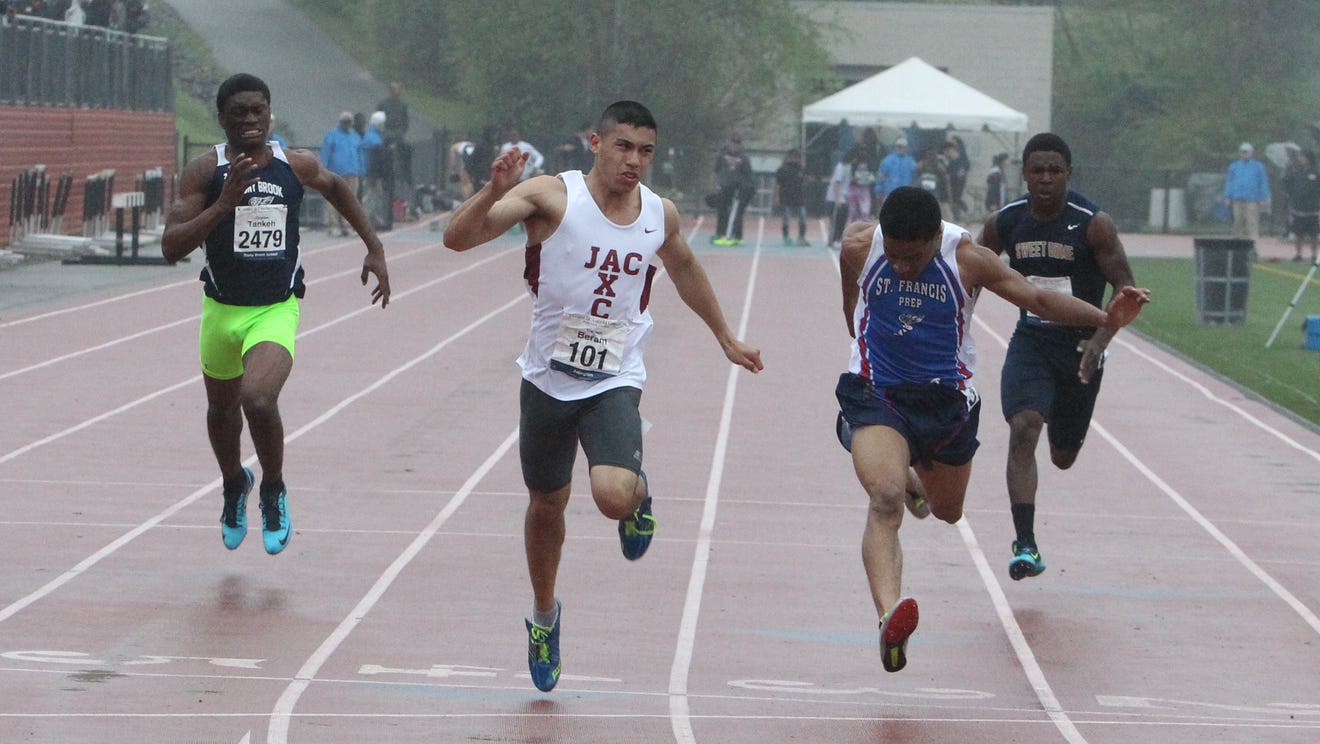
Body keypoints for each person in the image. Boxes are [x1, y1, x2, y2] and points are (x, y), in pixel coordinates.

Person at [442, 100, 763, 693]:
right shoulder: (550, 196)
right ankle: (544, 617)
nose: (633, 161)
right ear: (596, 142)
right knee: (547, 505)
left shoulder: (657, 214)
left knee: (611, 495)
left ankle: (637, 495)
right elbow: (457, 240)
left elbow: (686, 267)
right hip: (546, 378)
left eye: (645, 151)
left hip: (616, 375)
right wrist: (492, 193)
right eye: (623, 147)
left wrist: (724, 334)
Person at [836, 185, 1148, 673]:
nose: (901, 266)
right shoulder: (860, 247)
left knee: (947, 511)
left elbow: (1039, 299)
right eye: (894, 257)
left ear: (936, 237)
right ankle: (889, 619)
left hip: (945, 402)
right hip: (879, 394)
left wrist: (1107, 319)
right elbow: (852, 296)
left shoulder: (967, 259)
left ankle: (915, 479)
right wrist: (857, 325)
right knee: (884, 499)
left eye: (913, 257)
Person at [160, 74, 390, 556]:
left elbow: (337, 188)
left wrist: (374, 246)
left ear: (270, 114)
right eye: (239, 112)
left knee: (258, 399)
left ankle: (273, 488)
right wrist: (223, 205)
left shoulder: (294, 163)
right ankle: (233, 484)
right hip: (221, 311)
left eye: (258, 110)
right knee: (221, 411)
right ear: (221, 119)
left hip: (275, 309)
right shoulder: (205, 171)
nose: (250, 119)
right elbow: (170, 247)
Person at [977, 132, 1142, 581]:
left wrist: (1099, 342)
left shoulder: (1093, 224)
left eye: (1055, 170)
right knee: (1023, 428)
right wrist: (954, 329)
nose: (1046, 179)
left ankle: (1066, 429)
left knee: (1063, 456)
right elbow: (968, 274)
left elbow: (1124, 291)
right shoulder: (1005, 222)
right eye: (1037, 170)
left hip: (1080, 348)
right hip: (1031, 340)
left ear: (1068, 174)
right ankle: (1025, 544)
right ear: (1024, 174)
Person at [320, 111, 364, 236]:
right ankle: (333, 225)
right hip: (335, 173)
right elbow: (326, 153)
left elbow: (359, 154)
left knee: (350, 201)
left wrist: (361, 169)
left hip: (352, 173)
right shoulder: (332, 135)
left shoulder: (355, 136)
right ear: (340, 122)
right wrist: (324, 169)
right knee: (333, 200)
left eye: (349, 121)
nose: (347, 124)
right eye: (345, 121)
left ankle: (348, 225)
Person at [712, 134, 754, 246]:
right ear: (729, 143)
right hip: (724, 186)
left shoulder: (744, 157)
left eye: (737, 143)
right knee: (722, 211)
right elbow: (716, 170)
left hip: (737, 188)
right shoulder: (722, 155)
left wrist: (744, 187)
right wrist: (716, 184)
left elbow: (748, 174)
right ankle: (721, 233)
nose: (735, 146)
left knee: (736, 213)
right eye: (733, 143)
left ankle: (733, 236)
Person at [1222, 142, 1270, 240]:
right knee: (1237, 221)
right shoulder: (1234, 166)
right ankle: (1236, 240)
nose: (1245, 154)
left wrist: (1263, 197)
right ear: (1240, 153)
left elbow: (1263, 182)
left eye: (1247, 152)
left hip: (1252, 198)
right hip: (1237, 197)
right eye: (1243, 152)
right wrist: (1227, 196)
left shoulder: (1258, 166)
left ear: (1251, 153)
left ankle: (1253, 241)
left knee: (1252, 221)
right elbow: (1229, 182)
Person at [1284, 148, 1320, 263]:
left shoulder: (1315, 172)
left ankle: (1314, 255)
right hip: (1298, 208)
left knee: (1313, 235)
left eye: (1303, 157)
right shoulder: (1296, 171)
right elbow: (1287, 183)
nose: (1300, 159)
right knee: (1298, 234)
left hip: (1312, 209)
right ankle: (1298, 254)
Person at [773, 148, 809, 246]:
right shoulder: (782, 169)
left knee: (802, 217)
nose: (797, 159)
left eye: (798, 157)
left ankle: (801, 237)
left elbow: (804, 182)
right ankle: (786, 237)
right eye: (795, 157)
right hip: (786, 197)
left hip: (798, 197)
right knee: (786, 218)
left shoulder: (801, 169)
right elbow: (778, 185)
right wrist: (777, 197)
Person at [876, 136, 916, 207]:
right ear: (895, 147)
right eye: (899, 146)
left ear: (907, 148)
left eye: (903, 146)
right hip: (889, 193)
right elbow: (880, 176)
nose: (901, 148)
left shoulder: (911, 161)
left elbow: (915, 176)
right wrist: (879, 191)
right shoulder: (887, 160)